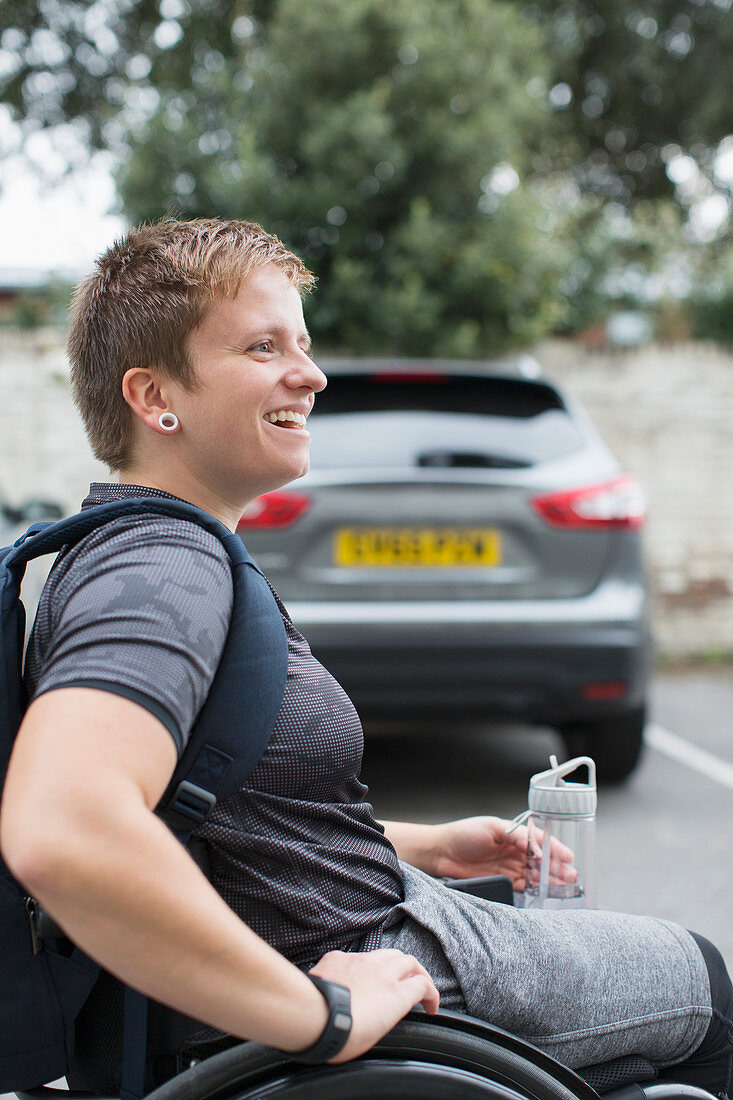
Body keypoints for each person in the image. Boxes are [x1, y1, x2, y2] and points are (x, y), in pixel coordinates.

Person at [1, 218, 730, 1096]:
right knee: (701, 988)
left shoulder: (161, 551)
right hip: (355, 959)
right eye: (264, 346)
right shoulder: (160, 568)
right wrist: (319, 1015)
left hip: (369, 910)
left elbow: (216, 825)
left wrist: (425, 844)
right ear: (157, 395)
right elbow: (65, 830)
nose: (309, 374)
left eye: (302, 345)